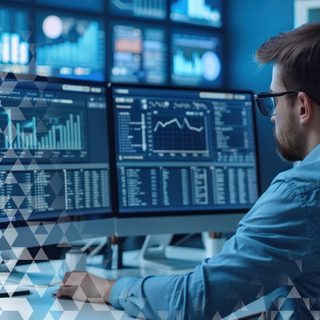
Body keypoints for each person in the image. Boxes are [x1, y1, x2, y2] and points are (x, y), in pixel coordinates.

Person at [57, 23, 320, 319]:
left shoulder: (300, 195)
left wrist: (107, 288)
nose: (271, 117)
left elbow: (191, 302)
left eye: (273, 99)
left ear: (301, 107)